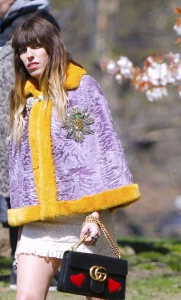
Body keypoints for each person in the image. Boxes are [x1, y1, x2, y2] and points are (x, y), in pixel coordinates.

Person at [8, 16, 141, 299]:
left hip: (85, 217)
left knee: (98, 295)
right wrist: (23, 222)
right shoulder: (25, 98)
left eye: (35, 46)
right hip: (40, 222)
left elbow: (101, 153)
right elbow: (20, 169)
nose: (28, 55)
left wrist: (95, 213)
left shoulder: (82, 89)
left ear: (52, 47)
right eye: (22, 50)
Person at [0, 0, 59, 287]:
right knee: (15, 199)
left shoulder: (35, 20)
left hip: (30, 126)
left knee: (31, 201)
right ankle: (23, 267)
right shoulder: (7, 23)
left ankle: (40, 271)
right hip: (10, 125)